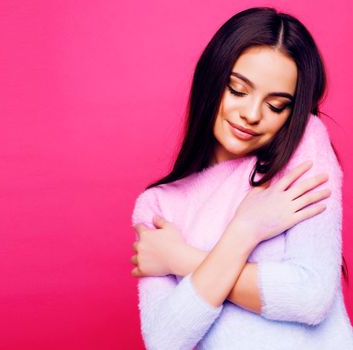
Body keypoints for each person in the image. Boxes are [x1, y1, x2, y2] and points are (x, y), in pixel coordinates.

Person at [130, 6, 353, 350]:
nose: (251, 114)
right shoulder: (160, 204)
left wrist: (181, 259)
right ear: (212, 80)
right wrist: (242, 233)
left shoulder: (304, 148)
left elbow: (310, 297)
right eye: (237, 89)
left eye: (276, 106)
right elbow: (164, 341)